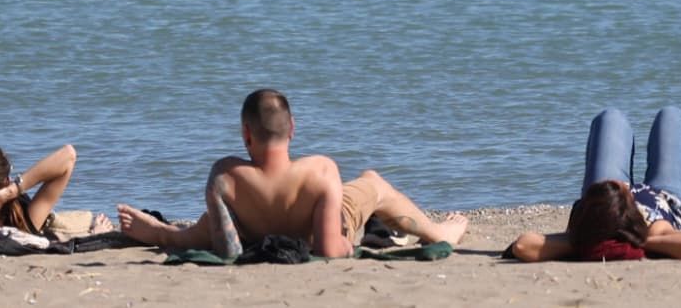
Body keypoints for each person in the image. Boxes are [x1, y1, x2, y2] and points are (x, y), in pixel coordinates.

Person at [116, 89, 468, 258]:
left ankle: (160, 232)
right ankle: (440, 232)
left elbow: (228, 252)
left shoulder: (225, 176)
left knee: (202, 229)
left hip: (252, 226)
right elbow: (329, 249)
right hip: (315, 225)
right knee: (372, 183)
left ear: (246, 134)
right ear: (293, 128)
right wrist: (350, 245)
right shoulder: (320, 171)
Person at [506, 106, 681, 261]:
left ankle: (606, 191)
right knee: (672, 116)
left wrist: (589, 240)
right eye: (622, 189)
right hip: (668, 198)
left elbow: (523, 245)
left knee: (610, 118)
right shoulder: (656, 230)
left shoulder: (584, 231)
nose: (622, 185)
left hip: (605, 205)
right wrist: (639, 240)